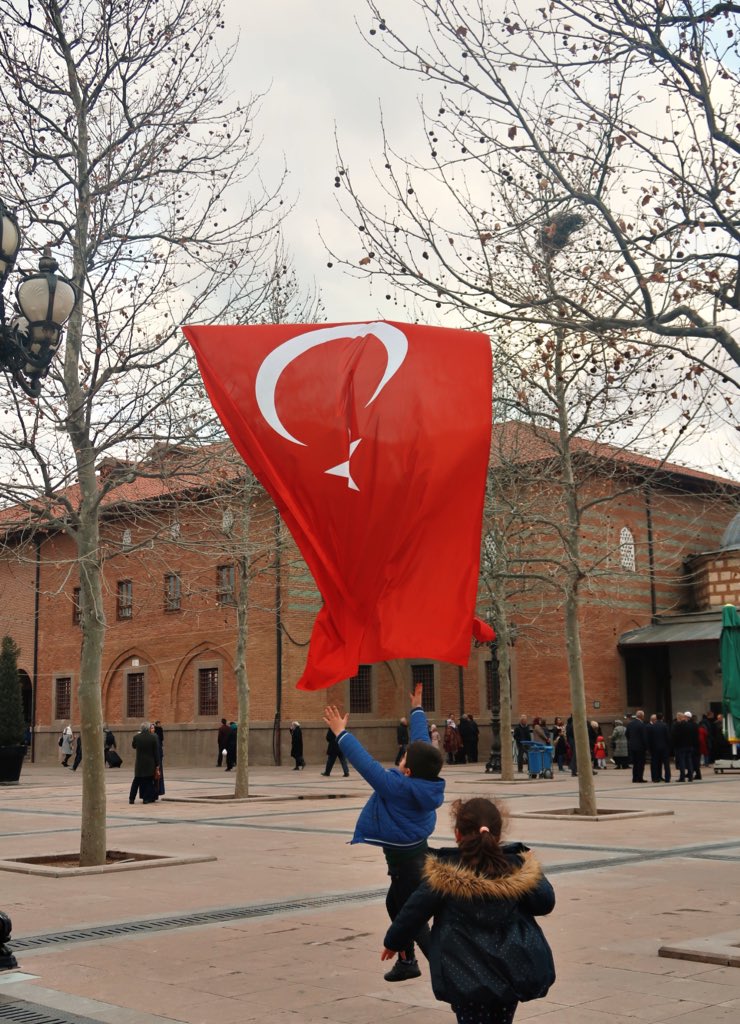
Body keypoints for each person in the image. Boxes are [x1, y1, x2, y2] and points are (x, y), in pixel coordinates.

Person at [381, 796, 556, 1024]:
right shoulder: (515, 867)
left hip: (464, 973)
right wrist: (531, 868)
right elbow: (544, 902)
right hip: (511, 970)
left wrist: (394, 941)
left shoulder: (445, 874)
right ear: (499, 834)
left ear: (457, 834)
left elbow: (415, 909)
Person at [324, 683, 444, 984]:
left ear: (406, 771)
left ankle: (445, 965)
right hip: (414, 858)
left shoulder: (397, 787)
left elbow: (367, 766)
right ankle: (408, 961)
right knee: (397, 906)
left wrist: (341, 733)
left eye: (403, 759)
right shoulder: (426, 782)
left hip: (408, 865)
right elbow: (420, 745)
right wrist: (417, 709)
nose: (401, 757)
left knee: (409, 916)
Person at [129, 723, 160, 804]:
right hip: (150, 764)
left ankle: (131, 799)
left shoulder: (136, 737)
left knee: (136, 781)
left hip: (139, 764)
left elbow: (134, 746)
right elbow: (156, 752)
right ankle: (146, 799)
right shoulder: (153, 737)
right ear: (148, 728)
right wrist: (157, 764)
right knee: (148, 782)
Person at [647, 713, 671, 783]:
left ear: (656, 718)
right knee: (666, 763)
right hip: (664, 748)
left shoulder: (653, 726)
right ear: (662, 718)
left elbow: (650, 739)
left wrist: (650, 748)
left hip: (655, 748)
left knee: (655, 763)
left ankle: (655, 778)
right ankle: (667, 778)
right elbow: (668, 737)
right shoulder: (665, 725)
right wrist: (668, 747)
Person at [625, 710, 647, 782]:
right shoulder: (642, 725)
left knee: (635, 763)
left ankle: (634, 778)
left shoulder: (630, 724)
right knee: (640, 763)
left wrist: (631, 741)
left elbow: (627, 734)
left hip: (632, 746)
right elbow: (644, 737)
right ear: (642, 716)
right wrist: (646, 746)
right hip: (640, 747)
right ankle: (639, 778)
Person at [151, 721, 165, 797]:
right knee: (157, 777)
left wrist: (157, 764)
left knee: (156, 777)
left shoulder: (155, 738)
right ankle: (156, 792)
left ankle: (155, 793)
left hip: (156, 761)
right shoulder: (156, 738)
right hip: (157, 760)